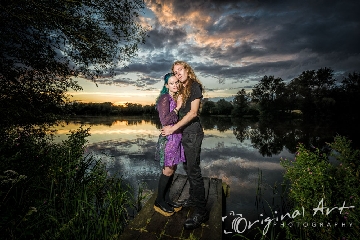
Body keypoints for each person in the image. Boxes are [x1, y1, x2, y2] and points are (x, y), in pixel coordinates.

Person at [161, 61, 209, 230]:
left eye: (180, 69)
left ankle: (201, 213)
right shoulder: (181, 88)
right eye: (175, 71)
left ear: (187, 70)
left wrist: (173, 128)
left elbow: (193, 112)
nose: (178, 73)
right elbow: (174, 108)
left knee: (194, 171)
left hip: (193, 134)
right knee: (188, 169)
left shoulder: (194, 86)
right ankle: (195, 199)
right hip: (183, 134)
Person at [154, 73, 185, 216]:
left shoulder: (174, 96)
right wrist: (178, 107)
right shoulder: (164, 98)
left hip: (177, 137)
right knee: (167, 170)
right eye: (171, 83)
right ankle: (159, 201)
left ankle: (166, 198)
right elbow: (165, 120)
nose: (175, 85)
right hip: (169, 139)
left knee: (172, 169)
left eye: (177, 82)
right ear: (166, 85)